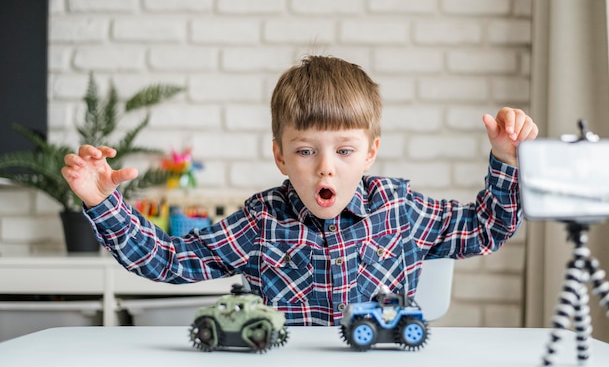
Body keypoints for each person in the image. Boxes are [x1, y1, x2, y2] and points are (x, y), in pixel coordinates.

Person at [62, 55, 538, 326]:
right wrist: (103, 201)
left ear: (371, 153)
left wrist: (506, 160)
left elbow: (486, 228)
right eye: (307, 152)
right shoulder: (261, 221)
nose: (325, 169)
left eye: (344, 152)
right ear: (280, 157)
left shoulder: (400, 209)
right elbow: (168, 258)